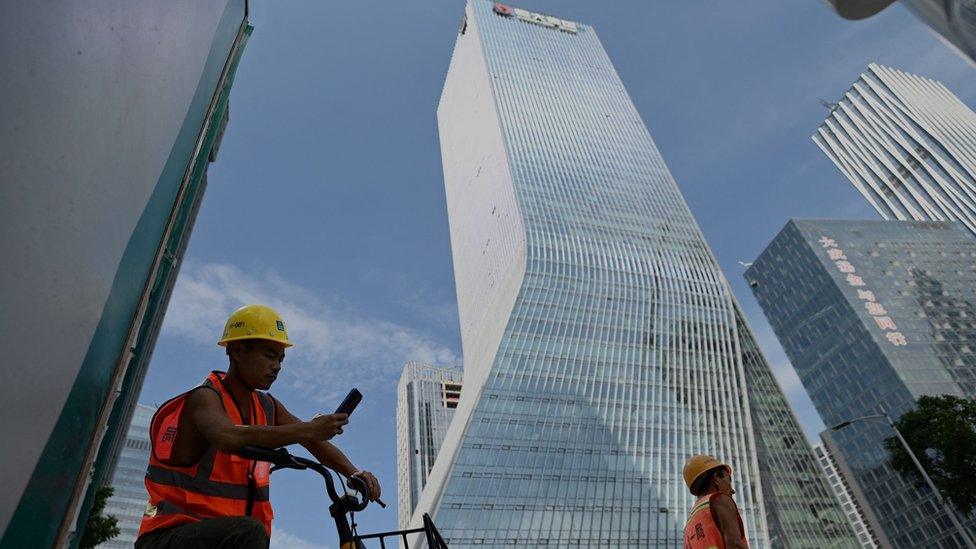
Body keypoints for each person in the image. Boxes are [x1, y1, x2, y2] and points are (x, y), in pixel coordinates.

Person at [135, 304, 381, 549]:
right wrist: (308, 429)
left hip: (232, 539)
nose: (277, 367)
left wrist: (353, 472)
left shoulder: (267, 407)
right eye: (269, 356)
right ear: (238, 352)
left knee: (251, 532)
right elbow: (227, 436)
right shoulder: (205, 398)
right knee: (249, 531)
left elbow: (313, 442)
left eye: (281, 359)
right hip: (171, 535)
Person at [682, 454, 749, 549]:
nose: (732, 490)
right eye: (729, 480)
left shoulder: (688, 527)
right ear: (717, 478)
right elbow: (734, 545)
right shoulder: (719, 499)